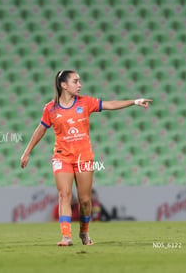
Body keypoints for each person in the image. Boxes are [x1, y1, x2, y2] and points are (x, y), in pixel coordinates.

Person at [20, 70, 152, 246]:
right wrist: (27, 151)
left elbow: (110, 104)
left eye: (79, 81)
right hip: (62, 157)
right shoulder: (50, 109)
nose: (79, 85)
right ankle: (66, 236)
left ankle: (84, 232)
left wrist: (134, 101)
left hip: (84, 158)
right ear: (63, 85)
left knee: (84, 200)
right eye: (75, 81)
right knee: (64, 194)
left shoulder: (86, 102)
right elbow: (41, 129)